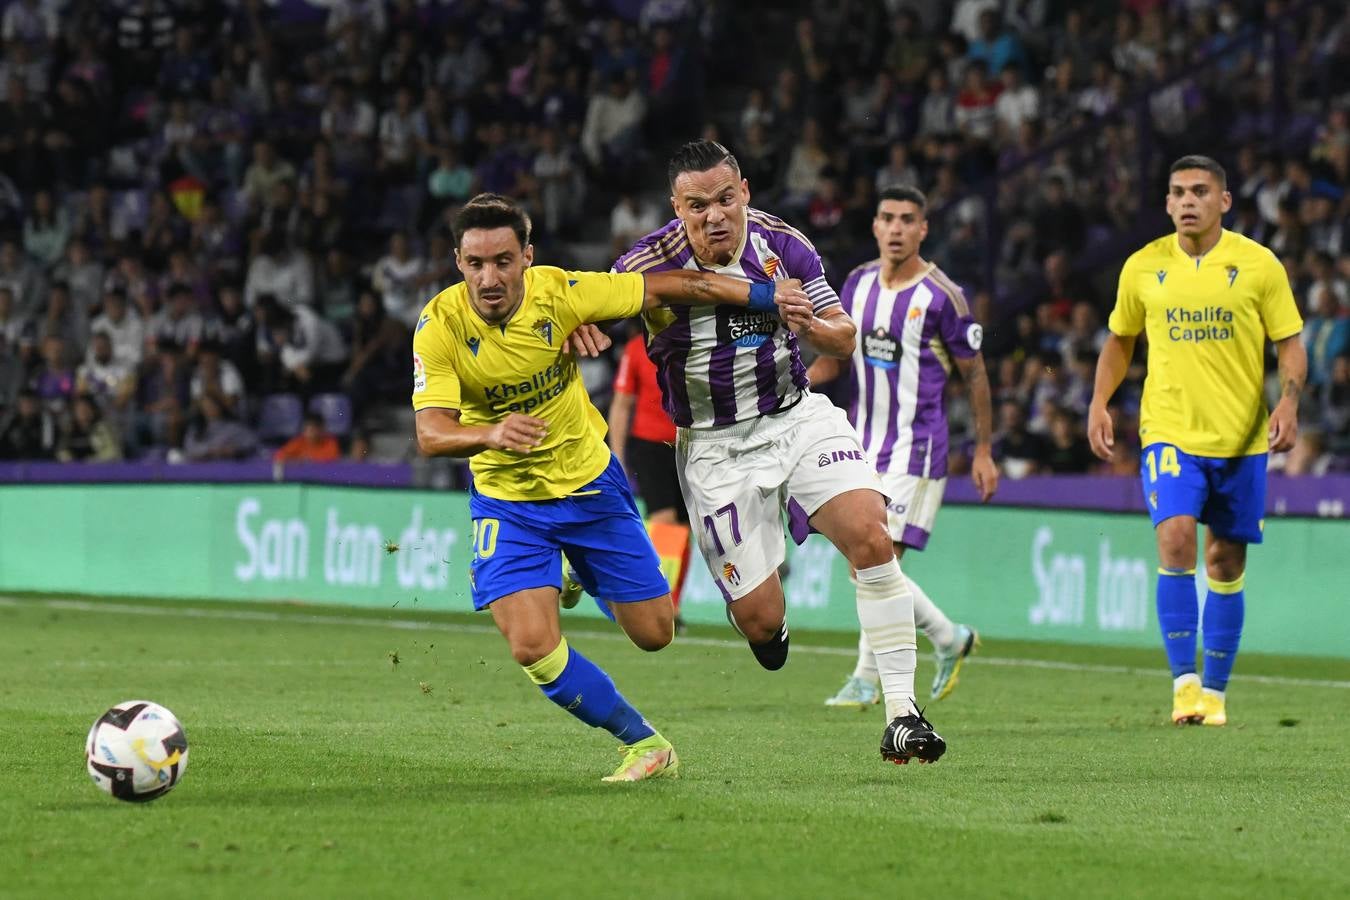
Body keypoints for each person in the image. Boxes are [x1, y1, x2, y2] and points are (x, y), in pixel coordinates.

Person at [412, 193, 810, 782]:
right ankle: (644, 743)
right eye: (475, 264)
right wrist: (492, 431)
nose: (489, 278)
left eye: (502, 261)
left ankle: (573, 571)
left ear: (528, 257)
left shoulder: (563, 293)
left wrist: (764, 294)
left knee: (655, 634)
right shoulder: (440, 326)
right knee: (530, 646)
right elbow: (431, 432)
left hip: (588, 486)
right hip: (509, 502)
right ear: (457, 263)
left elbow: (676, 286)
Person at [614, 140, 947, 765]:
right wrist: (587, 322)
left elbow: (843, 337)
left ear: (744, 192)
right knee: (761, 624)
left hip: (795, 418)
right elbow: (599, 305)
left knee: (872, 537)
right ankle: (770, 624)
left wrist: (806, 323)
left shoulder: (782, 243)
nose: (715, 216)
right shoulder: (647, 261)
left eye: (724, 199)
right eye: (697, 205)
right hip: (713, 448)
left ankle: (903, 715)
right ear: (676, 209)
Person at [1087, 155, 1306, 728]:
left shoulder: (1259, 266)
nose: (1188, 201)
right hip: (1168, 432)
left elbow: (1290, 343)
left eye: (1200, 192)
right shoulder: (1142, 268)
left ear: (1224, 202)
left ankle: (1215, 692)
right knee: (1178, 537)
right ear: (1166, 203)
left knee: (1225, 559)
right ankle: (1184, 685)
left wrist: (1288, 400)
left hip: (1240, 438)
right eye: (1178, 192)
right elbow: (1119, 340)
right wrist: (1099, 401)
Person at [808, 186, 998, 708]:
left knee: (873, 561)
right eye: (887, 218)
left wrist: (983, 450)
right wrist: (797, 380)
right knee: (867, 562)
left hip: (917, 451)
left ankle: (869, 676)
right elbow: (838, 357)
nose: (895, 228)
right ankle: (948, 639)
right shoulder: (857, 283)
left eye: (907, 220)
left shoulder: (942, 296)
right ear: (874, 225)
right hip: (861, 444)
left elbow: (975, 374)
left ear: (923, 230)